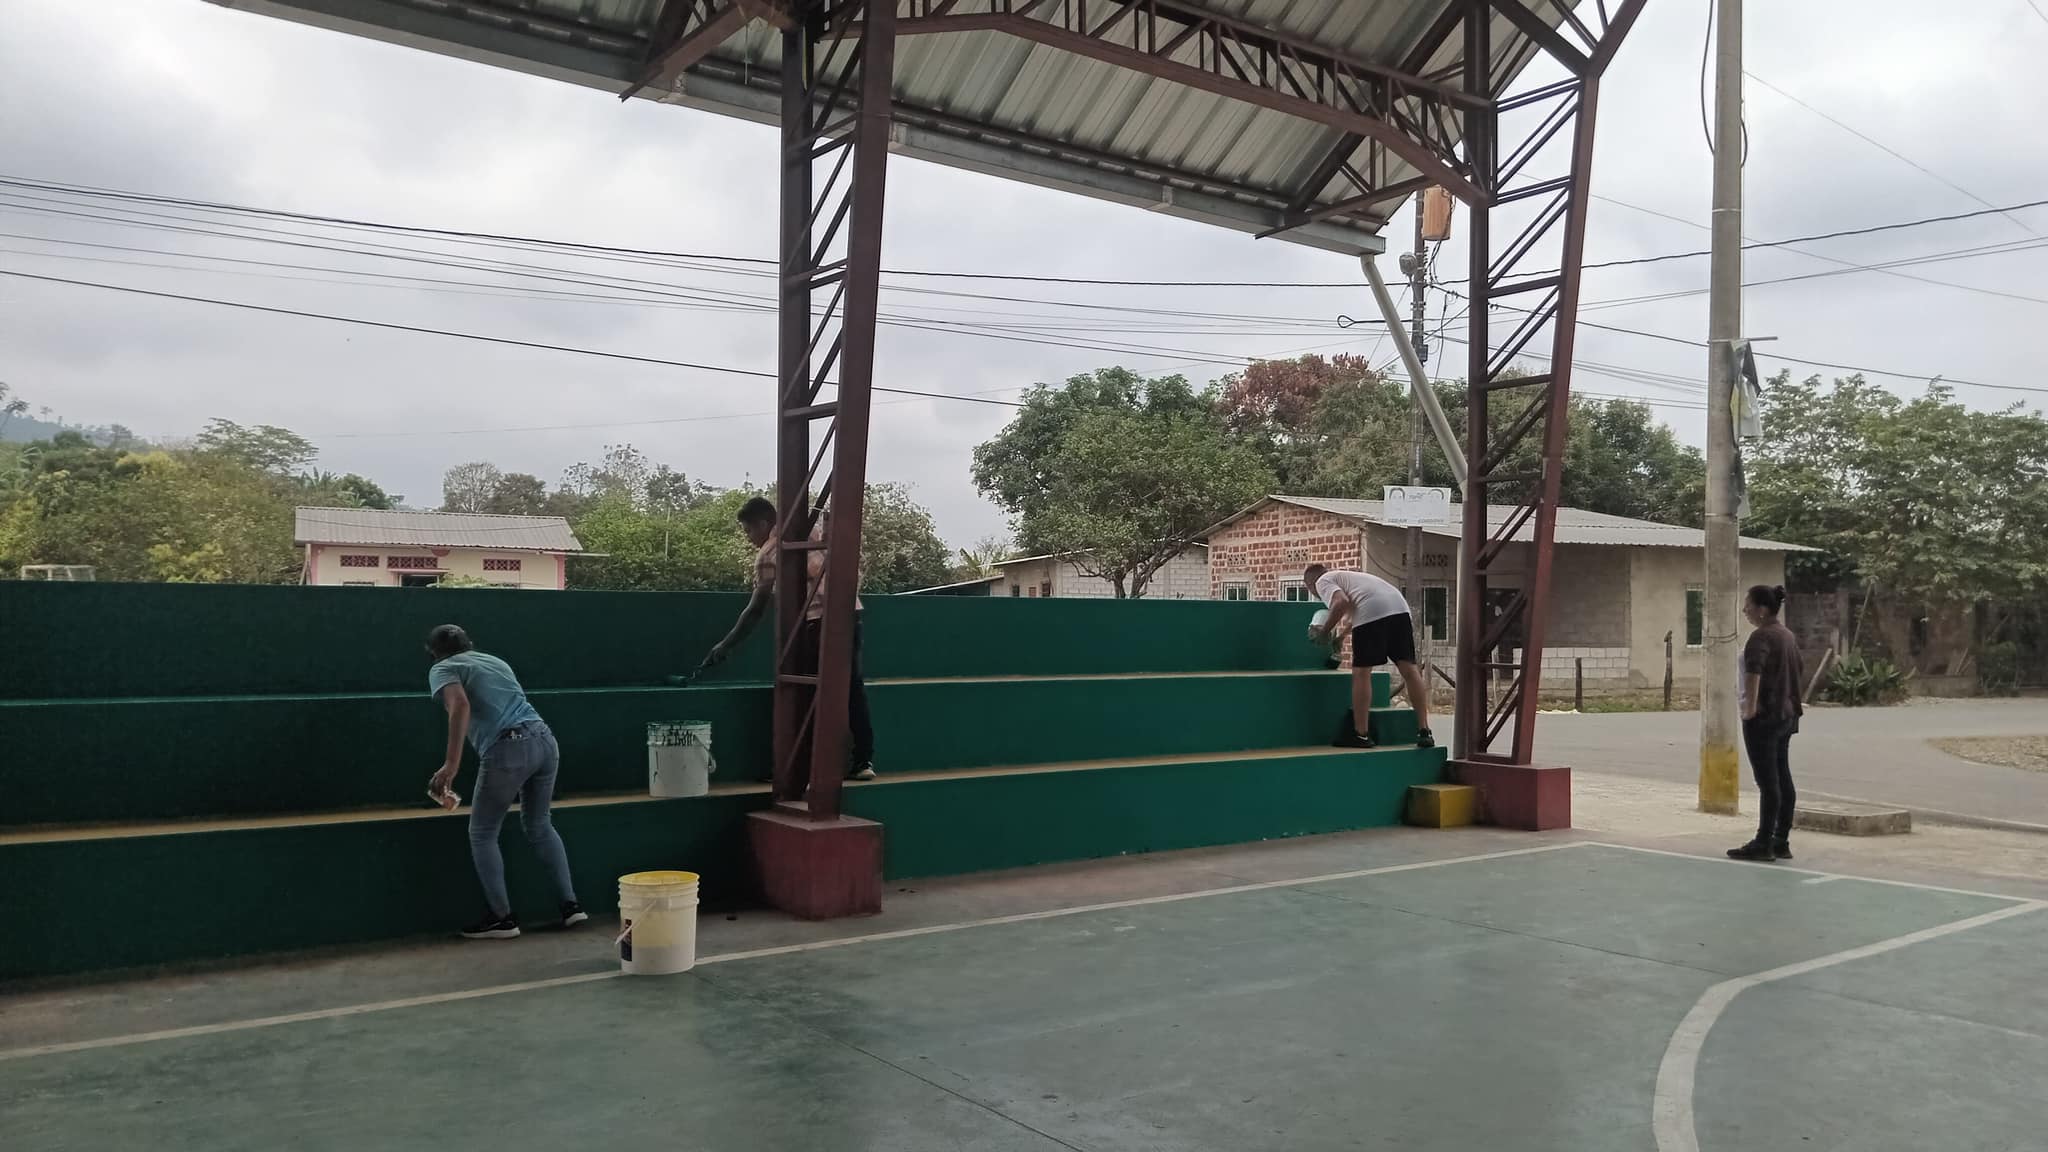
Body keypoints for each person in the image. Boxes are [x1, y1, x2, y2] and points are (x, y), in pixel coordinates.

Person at [425, 624, 586, 939]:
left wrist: (451, 765)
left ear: (433, 653)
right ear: (470, 643)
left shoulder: (443, 668)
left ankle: (502, 919)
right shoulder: (495, 661)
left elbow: (460, 705)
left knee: (482, 833)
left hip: (508, 747)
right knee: (540, 825)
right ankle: (571, 906)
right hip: (544, 739)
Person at [702, 496, 875, 781]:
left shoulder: (769, 553)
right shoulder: (809, 529)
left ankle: (798, 769)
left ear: (763, 524)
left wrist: (726, 644)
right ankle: (862, 761)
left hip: (814, 623)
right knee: (851, 689)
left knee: (803, 694)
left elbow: (756, 608)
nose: (748, 539)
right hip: (848, 616)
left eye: (748, 531)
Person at [1304, 564, 1434, 749]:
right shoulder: (1352, 579)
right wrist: (1341, 637)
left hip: (1372, 610)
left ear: (1310, 585)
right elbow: (1356, 609)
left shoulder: (1322, 581)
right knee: (1410, 670)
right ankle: (1424, 731)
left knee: (1361, 672)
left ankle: (1361, 734)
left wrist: (1325, 631)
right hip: (1400, 608)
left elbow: (1340, 603)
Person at [1728, 585, 1805, 862]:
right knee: (1782, 776)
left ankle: (1763, 842)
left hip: (1765, 717)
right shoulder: (1786, 635)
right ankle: (1780, 839)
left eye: (1748, 605)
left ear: (1762, 609)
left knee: (1768, 782)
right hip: (1786, 715)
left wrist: (1750, 709)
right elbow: (1799, 668)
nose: (1745, 610)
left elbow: (1754, 672)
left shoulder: (1761, 636)